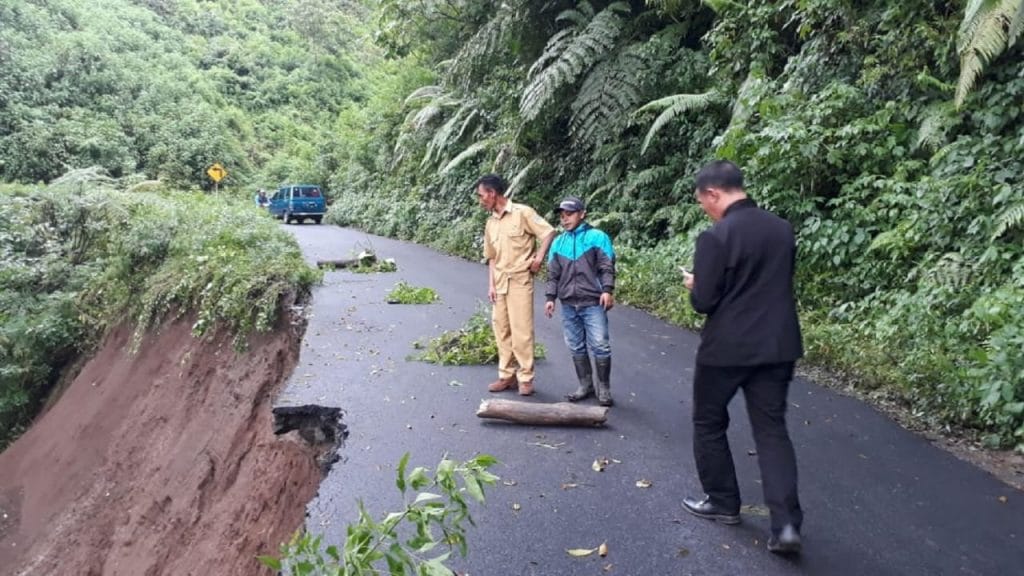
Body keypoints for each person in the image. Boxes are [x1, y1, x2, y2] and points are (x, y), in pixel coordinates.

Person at [680, 160, 804, 555]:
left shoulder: (715, 237)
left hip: (727, 349)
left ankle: (722, 501)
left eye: (703, 202)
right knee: (771, 431)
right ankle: (786, 526)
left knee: (708, 420)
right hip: (777, 345)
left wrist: (695, 284)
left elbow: (704, 301)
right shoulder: (782, 229)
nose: (705, 210)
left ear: (713, 193)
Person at [476, 174, 556, 396]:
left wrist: (539, 258)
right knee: (501, 329)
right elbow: (491, 257)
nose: (480, 200)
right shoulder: (491, 223)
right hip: (500, 282)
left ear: (492, 193)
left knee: (522, 330)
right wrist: (491, 285)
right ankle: (506, 376)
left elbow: (548, 232)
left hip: (520, 280)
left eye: (481, 196)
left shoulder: (523, 213)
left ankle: (526, 378)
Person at [543, 195, 616, 406]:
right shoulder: (558, 243)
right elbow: (553, 275)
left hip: (593, 302)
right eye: (562, 215)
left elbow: (607, 266)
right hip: (568, 303)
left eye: (569, 214)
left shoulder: (597, 237)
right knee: (575, 346)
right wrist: (550, 297)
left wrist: (607, 290)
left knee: (600, 345)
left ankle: (604, 388)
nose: (565, 219)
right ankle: (585, 385)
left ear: (582, 214)